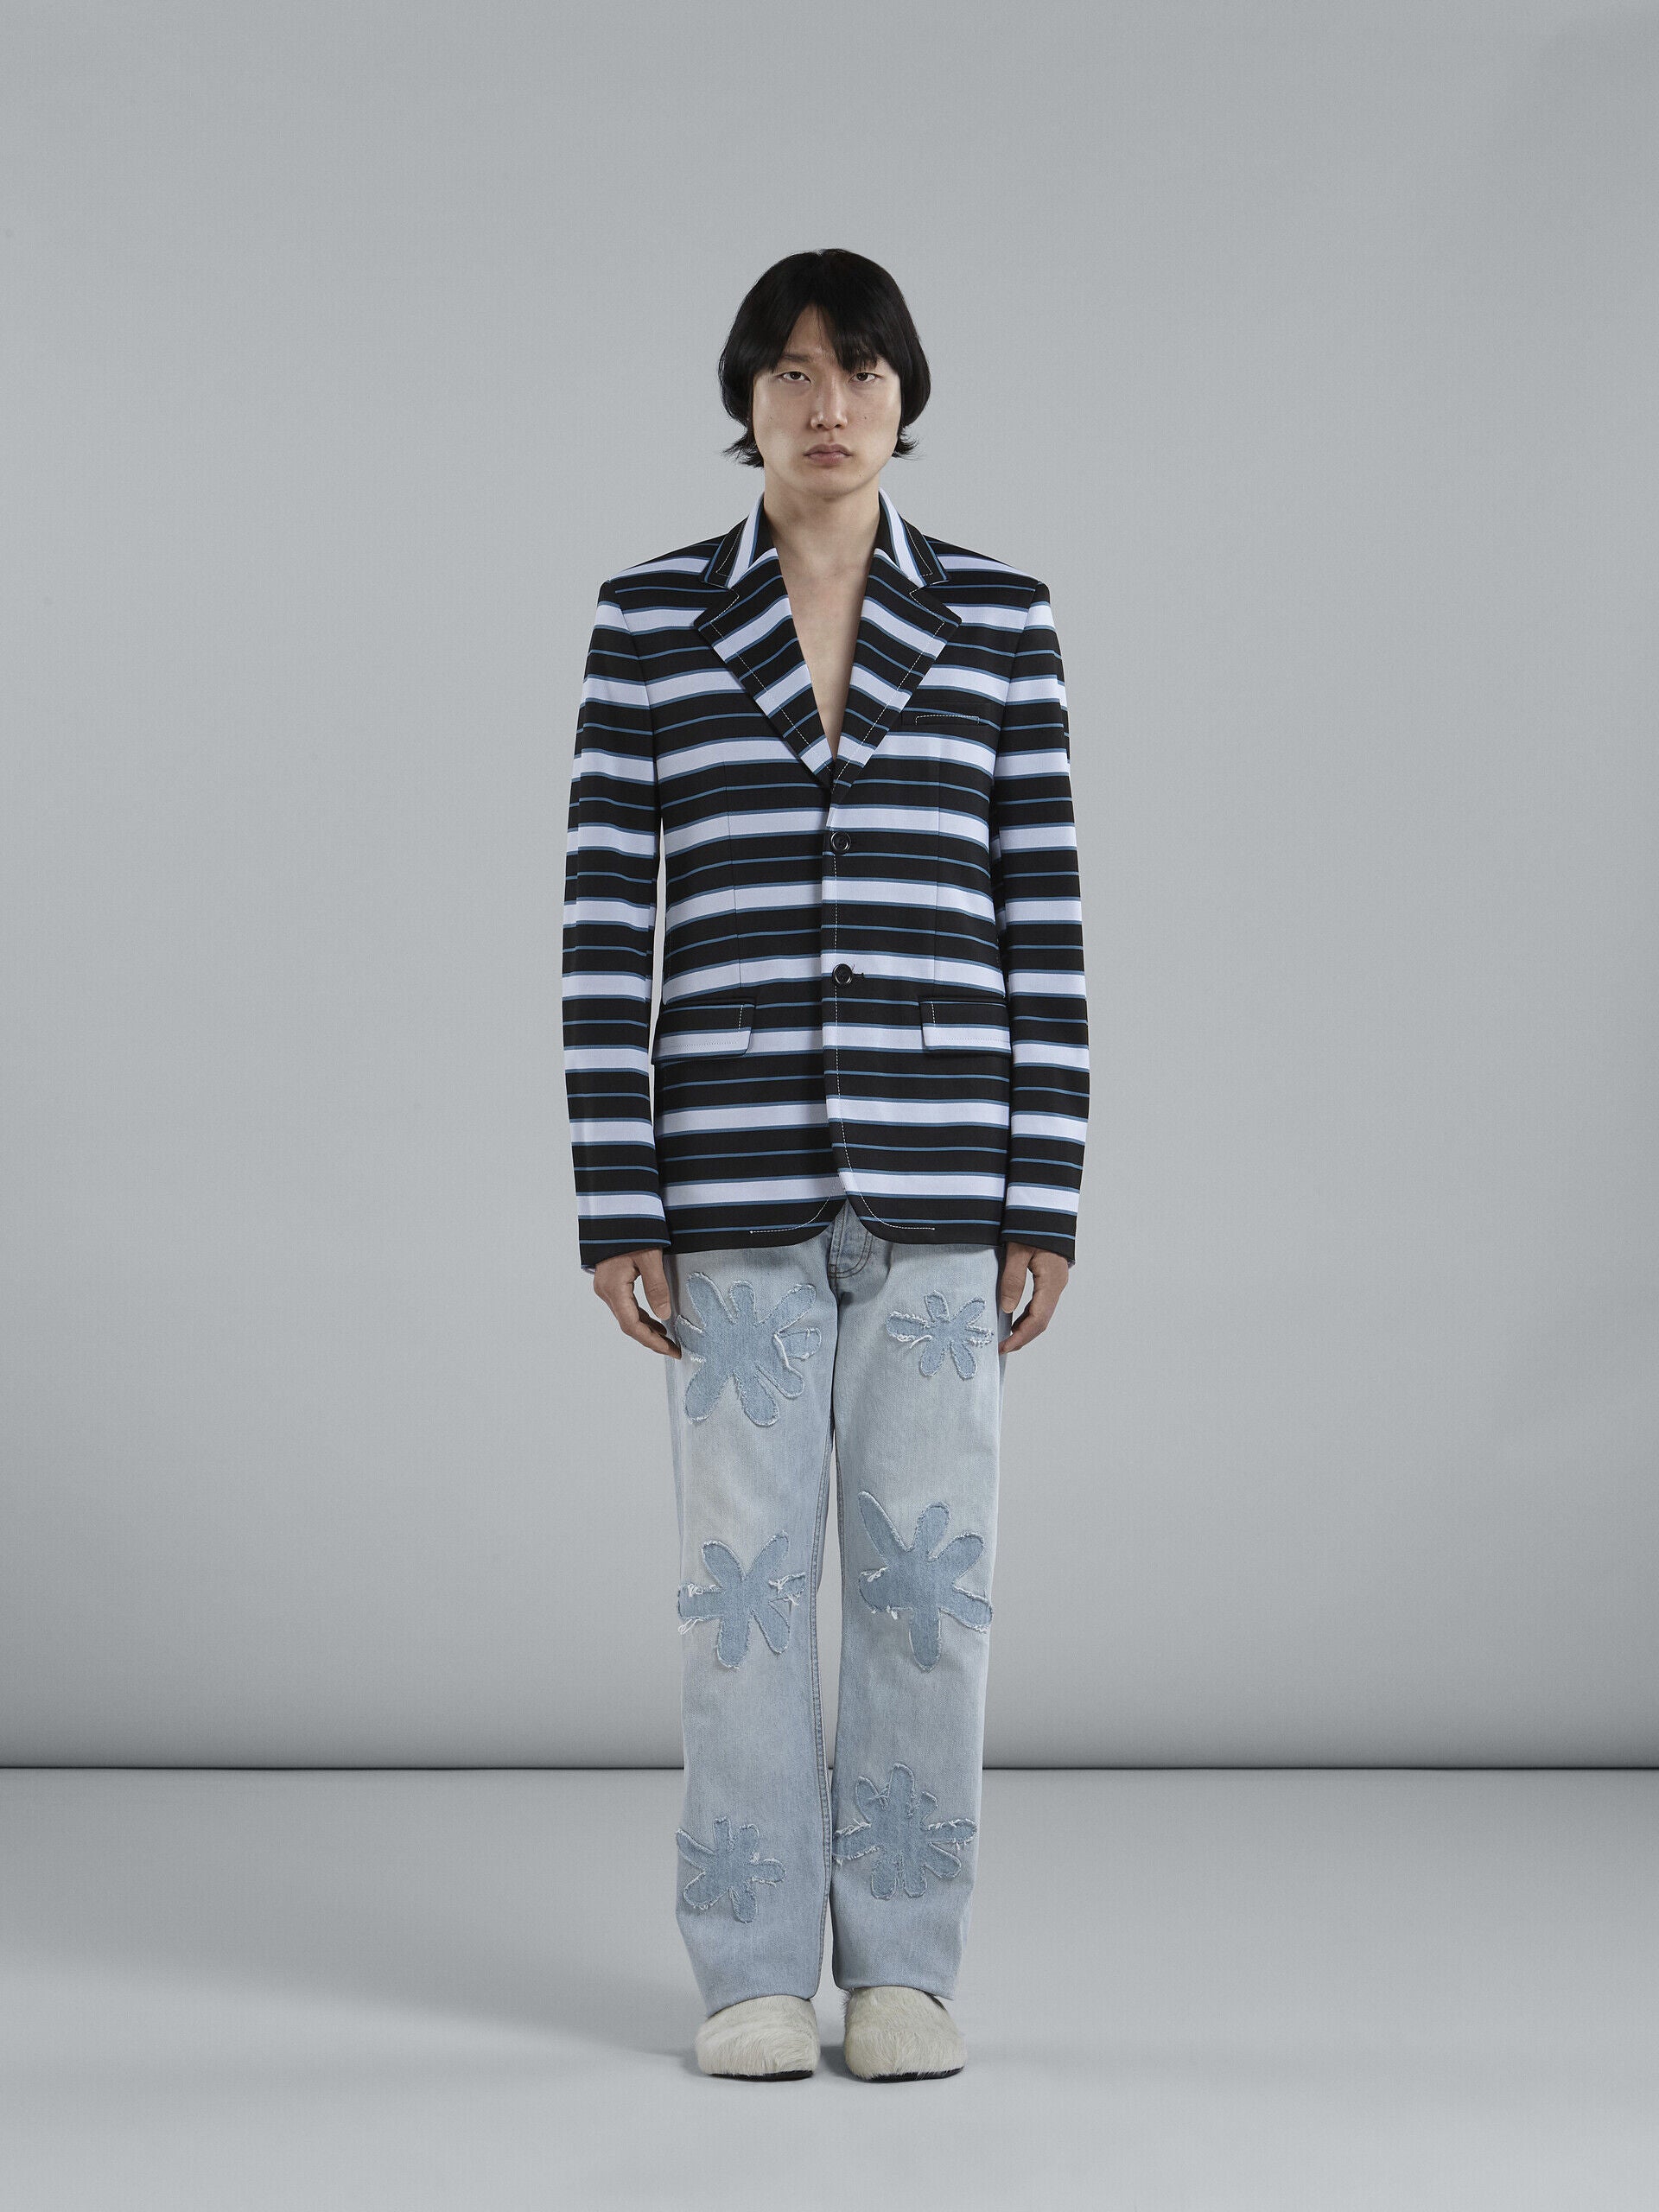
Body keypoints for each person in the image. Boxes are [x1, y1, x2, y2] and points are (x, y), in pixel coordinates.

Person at [561, 248, 1089, 2081]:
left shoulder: (1000, 618)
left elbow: (1044, 918)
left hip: (946, 1182)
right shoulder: (650, 620)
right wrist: (616, 1198)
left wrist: (1047, 1192)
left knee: (928, 1596)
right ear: (747, 399)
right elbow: (604, 923)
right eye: (790, 370)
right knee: (741, 1596)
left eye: (859, 367)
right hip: (728, 1186)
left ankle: (906, 1969)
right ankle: (750, 1968)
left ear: (903, 394)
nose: (827, 401)